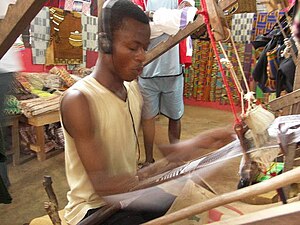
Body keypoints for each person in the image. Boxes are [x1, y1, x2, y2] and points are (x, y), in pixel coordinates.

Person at [60, 0, 234, 224]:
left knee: (191, 202)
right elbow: (106, 187)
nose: (142, 56)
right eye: (133, 48)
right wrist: (160, 174)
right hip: (93, 211)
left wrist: (204, 142)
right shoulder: (80, 100)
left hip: (127, 196)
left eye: (145, 47)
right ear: (105, 43)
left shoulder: (132, 89)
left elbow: (168, 151)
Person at [134, 0, 197, 167]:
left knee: (175, 116)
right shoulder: (141, 1)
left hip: (173, 71)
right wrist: (172, 23)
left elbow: (187, 18)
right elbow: (139, 29)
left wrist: (153, 18)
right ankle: (149, 159)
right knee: (148, 118)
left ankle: (175, 158)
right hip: (147, 72)